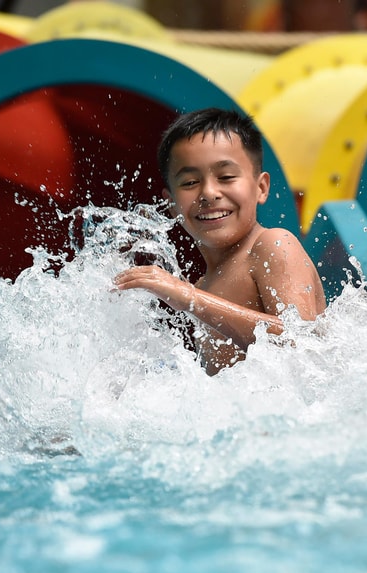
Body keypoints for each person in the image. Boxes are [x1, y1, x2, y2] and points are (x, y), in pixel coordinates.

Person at [113, 108, 326, 374]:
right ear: (171, 203)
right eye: (190, 182)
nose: (209, 193)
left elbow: (303, 343)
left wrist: (189, 298)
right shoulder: (205, 285)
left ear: (261, 188)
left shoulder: (272, 244)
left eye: (226, 177)